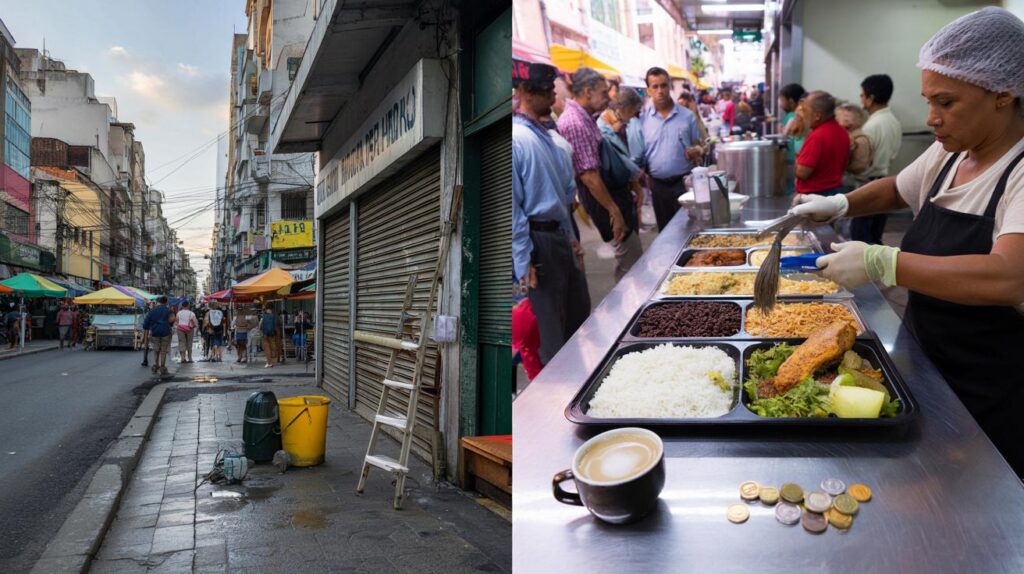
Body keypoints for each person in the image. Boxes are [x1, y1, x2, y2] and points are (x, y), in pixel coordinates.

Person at [793, 7, 1024, 476]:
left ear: (1003, 94)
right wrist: (839, 204)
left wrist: (884, 262)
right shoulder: (949, 152)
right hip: (926, 363)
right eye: (928, 101)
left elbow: (1009, 277)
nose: (931, 118)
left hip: (991, 389)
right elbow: (898, 187)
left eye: (946, 102)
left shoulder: (1018, 173)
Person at [513, 62, 591, 366]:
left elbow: (563, 196)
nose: (553, 95)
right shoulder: (520, 140)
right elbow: (514, 211)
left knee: (576, 310)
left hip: (559, 233)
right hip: (538, 239)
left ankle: (576, 374)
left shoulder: (547, 137)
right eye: (547, 91)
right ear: (528, 94)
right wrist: (524, 261)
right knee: (551, 325)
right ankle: (558, 389)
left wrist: (572, 239)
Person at [557, 68, 633, 250]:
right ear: (588, 92)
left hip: (611, 197)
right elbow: (589, 176)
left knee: (628, 255)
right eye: (604, 92)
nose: (609, 97)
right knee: (627, 256)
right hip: (605, 201)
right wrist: (614, 211)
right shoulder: (575, 122)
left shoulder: (584, 117)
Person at [641, 66, 704, 231]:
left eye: (663, 85)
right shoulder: (643, 119)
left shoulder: (687, 116)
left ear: (670, 86)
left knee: (688, 228)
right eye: (655, 87)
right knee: (665, 231)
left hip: (683, 183)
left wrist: (696, 151)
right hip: (657, 186)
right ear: (648, 90)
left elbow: (698, 144)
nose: (660, 91)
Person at [595, 85, 645, 280]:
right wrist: (636, 178)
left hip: (624, 195)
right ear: (624, 107)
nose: (634, 117)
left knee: (630, 256)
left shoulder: (618, 125)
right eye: (633, 111)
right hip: (614, 200)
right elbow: (624, 165)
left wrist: (636, 186)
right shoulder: (604, 128)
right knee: (629, 260)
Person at [851, 73, 904, 244]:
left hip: (867, 184)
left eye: (862, 95)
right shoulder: (894, 121)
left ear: (870, 98)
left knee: (862, 238)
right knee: (875, 235)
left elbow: (862, 161)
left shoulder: (871, 126)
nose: (860, 99)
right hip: (884, 181)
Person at [794, 91, 850, 196]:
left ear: (817, 116)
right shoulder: (841, 132)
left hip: (815, 195)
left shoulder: (817, 136)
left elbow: (802, 173)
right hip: (835, 192)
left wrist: (795, 161)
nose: (802, 115)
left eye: (805, 110)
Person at [836, 102, 874, 189]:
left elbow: (858, 167)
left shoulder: (859, 140)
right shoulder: (853, 137)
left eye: (838, 119)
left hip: (855, 181)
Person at [142, 295, 174, 376]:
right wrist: (169, 324)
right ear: (166, 302)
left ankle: (155, 365)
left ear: (158, 302)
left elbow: (146, 322)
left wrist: (146, 328)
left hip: (155, 332)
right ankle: (163, 368)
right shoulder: (168, 310)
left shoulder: (152, 311)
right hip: (165, 332)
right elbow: (172, 319)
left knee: (156, 350)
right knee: (163, 350)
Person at [259, 303, 280, 368]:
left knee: (267, 348)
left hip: (265, 334)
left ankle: (269, 362)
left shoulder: (264, 316)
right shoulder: (275, 316)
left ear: (266, 308)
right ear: (272, 308)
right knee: (273, 347)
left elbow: (260, 325)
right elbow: (277, 325)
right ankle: (274, 360)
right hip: (272, 334)